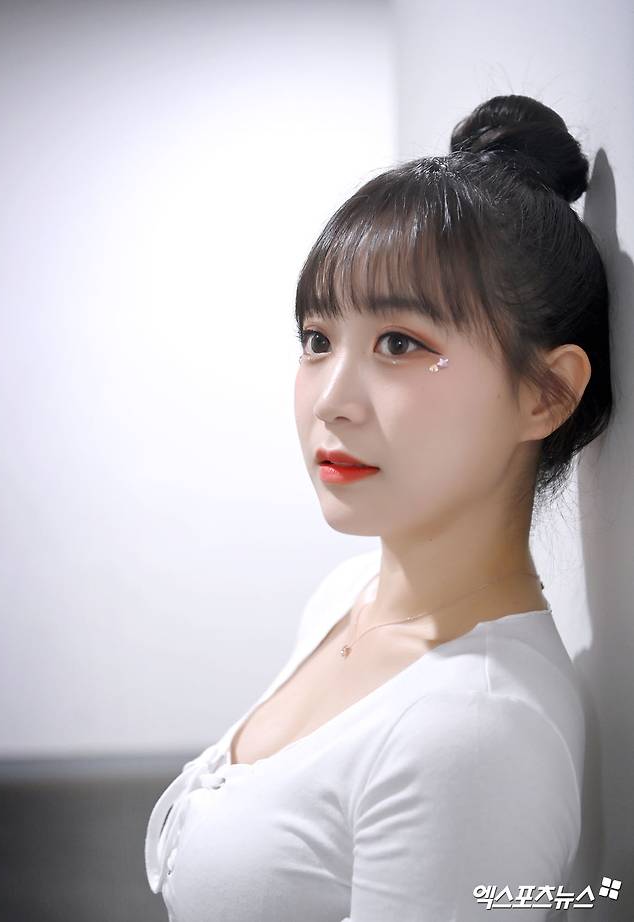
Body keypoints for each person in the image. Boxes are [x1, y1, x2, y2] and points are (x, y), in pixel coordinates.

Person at [144, 94, 613, 921]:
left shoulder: (476, 732)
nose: (331, 400)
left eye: (401, 344)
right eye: (317, 340)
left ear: (545, 393)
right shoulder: (347, 596)